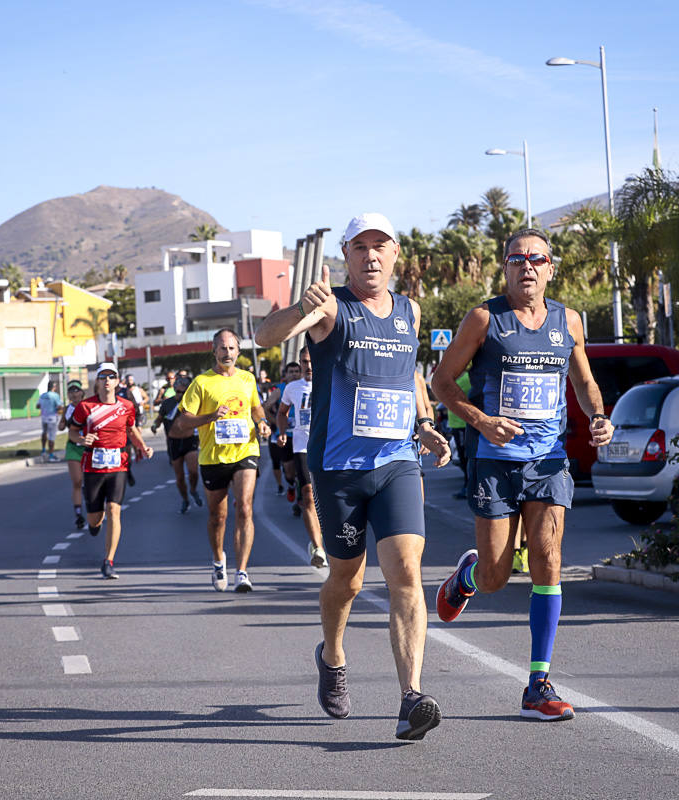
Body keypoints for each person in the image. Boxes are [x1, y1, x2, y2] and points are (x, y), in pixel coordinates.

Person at [255, 212, 451, 741]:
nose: (370, 256)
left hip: (396, 463)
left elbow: (409, 371)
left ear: (394, 255)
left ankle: (411, 697)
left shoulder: (409, 310)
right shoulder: (330, 308)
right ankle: (333, 656)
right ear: (347, 255)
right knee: (348, 580)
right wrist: (302, 305)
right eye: (360, 247)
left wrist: (425, 422)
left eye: (379, 246)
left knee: (407, 573)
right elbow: (265, 334)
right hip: (338, 470)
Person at [431, 227, 614, 723]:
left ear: (551, 268)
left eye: (537, 259)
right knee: (496, 576)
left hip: (549, 460)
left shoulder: (568, 321)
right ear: (505, 267)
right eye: (517, 259)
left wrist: (598, 416)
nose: (527, 266)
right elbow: (442, 382)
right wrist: (483, 421)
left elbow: (585, 381)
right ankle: (467, 577)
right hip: (494, 461)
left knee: (547, 558)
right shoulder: (484, 319)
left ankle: (538, 683)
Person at [171, 329, 272, 593]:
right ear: (214, 351)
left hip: (245, 451)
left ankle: (242, 572)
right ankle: (218, 560)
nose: (227, 353)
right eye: (222, 348)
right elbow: (182, 421)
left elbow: (255, 407)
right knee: (218, 516)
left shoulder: (248, 379)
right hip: (213, 456)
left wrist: (261, 422)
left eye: (232, 348)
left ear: (238, 351)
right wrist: (210, 417)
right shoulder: (201, 383)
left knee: (246, 508)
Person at [68, 364, 153, 579]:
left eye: (111, 376)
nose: (107, 380)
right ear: (97, 381)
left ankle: (109, 561)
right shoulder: (85, 407)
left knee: (115, 510)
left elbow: (131, 429)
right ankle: (94, 524)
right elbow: (72, 432)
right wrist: (81, 439)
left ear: (117, 381)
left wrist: (143, 446)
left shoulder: (126, 406)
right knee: (95, 519)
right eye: (102, 377)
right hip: (93, 466)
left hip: (119, 465)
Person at [275, 347, 327, 568]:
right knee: (308, 496)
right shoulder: (292, 388)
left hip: (330, 448)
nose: (309, 366)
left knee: (328, 500)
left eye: (312, 361)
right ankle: (318, 548)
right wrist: (281, 432)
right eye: (305, 362)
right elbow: (281, 412)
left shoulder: (331, 380)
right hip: (302, 446)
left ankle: (329, 542)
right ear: (300, 363)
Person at [152, 373, 203, 514]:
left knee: (193, 471)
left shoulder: (193, 402)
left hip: (190, 440)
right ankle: (185, 499)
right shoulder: (167, 403)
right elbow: (159, 418)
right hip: (174, 442)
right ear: (174, 390)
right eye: (178, 391)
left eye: (184, 392)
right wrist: (155, 426)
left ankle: (193, 490)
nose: (181, 394)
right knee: (179, 477)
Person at [266, 362, 302, 499]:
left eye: (296, 371)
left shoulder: (306, 387)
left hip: (302, 435)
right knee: (289, 472)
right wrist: (278, 423)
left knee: (303, 469)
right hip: (285, 436)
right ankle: (291, 485)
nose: (294, 374)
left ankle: (302, 497)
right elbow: (265, 408)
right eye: (291, 372)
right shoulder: (280, 390)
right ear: (285, 375)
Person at [58, 380, 88, 529]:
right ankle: (78, 515)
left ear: (82, 392)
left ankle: (93, 505)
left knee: (90, 481)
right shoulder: (67, 408)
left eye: (76, 390)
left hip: (88, 447)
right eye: (71, 391)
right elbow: (61, 425)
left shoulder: (89, 406)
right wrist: (64, 422)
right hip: (73, 447)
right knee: (77, 481)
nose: (74, 394)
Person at [37, 381, 62, 460]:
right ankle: (51, 455)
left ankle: (43, 450)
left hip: (44, 417)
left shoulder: (42, 395)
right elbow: (59, 406)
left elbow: (38, 406)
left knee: (44, 433)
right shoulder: (55, 396)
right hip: (52, 418)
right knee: (52, 436)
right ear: (54, 387)